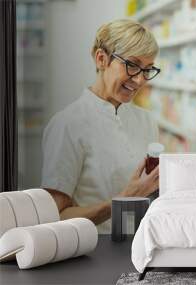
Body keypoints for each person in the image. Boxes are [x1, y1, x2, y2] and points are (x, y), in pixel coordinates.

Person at [41, 19, 161, 233]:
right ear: (101, 59)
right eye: (132, 65)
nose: (140, 80)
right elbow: (56, 217)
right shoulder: (67, 125)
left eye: (148, 70)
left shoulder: (147, 121)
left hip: (143, 244)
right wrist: (124, 200)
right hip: (93, 250)